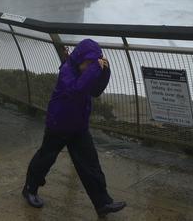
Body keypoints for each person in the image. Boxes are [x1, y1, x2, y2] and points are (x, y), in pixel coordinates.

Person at [22, 39, 126, 218]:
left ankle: (102, 203)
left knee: (91, 164)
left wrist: (105, 71)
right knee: (45, 158)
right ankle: (30, 189)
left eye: (93, 63)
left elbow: (95, 91)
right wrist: (94, 69)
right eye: (88, 62)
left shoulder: (85, 71)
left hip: (79, 127)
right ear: (80, 58)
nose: (90, 66)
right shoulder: (66, 71)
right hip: (59, 124)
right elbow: (77, 90)